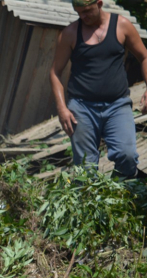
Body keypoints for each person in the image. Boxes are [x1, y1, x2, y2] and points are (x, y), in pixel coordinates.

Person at [50, 0, 147, 178]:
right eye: (79, 12)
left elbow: (144, 57)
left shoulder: (122, 26)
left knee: (127, 155)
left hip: (117, 105)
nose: (83, 16)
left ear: (100, 3)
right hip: (82, 107)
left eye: (87, 11)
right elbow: (55, 73)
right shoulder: (70, 34)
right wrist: (62, 108)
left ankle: (124, 190)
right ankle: (89, 200)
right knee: (85, 168)